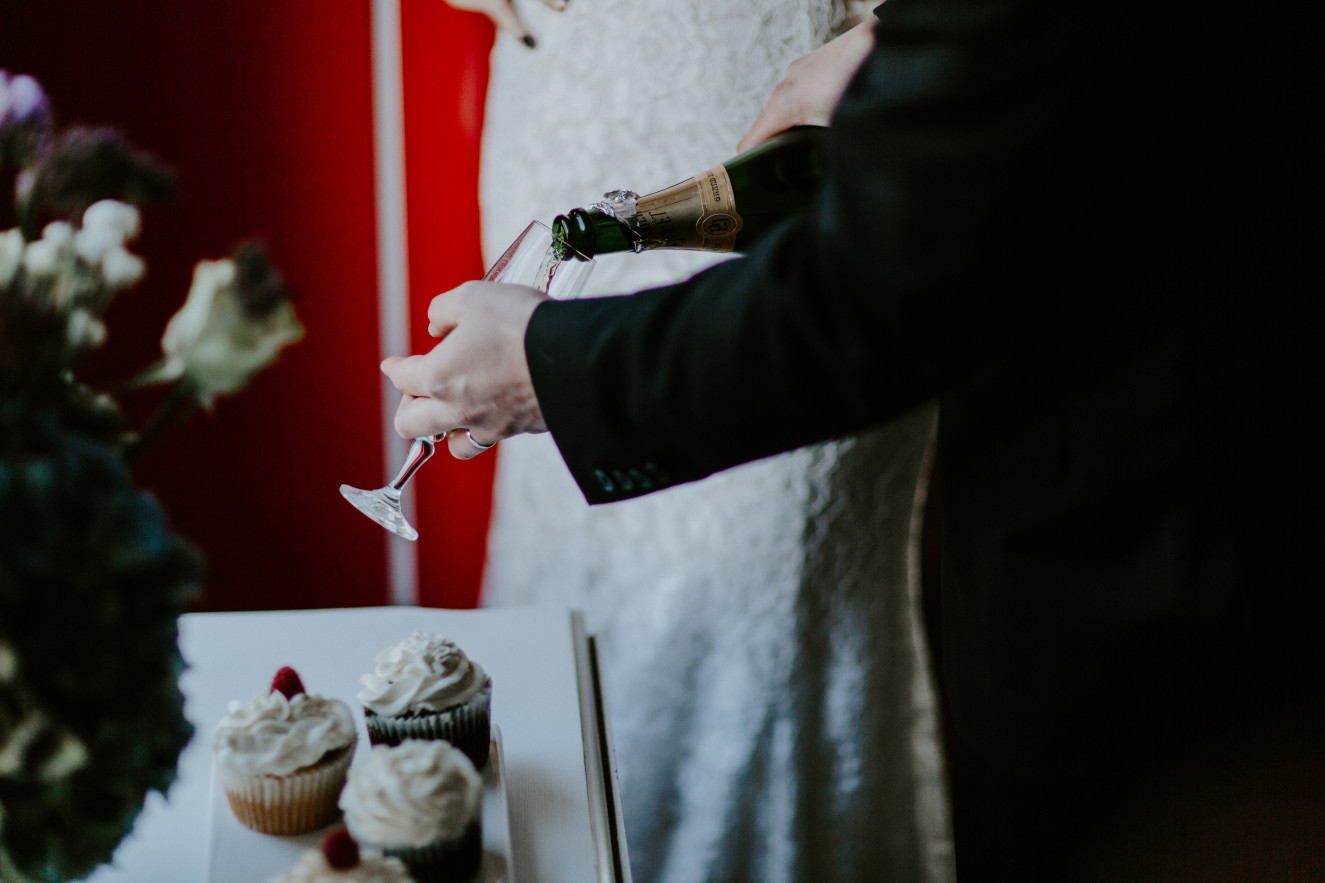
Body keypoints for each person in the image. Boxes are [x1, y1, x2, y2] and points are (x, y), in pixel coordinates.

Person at [392, 0, 1321, 879]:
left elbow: (878, 288)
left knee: (753, 631)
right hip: (641, 95)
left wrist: (556, 372)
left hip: (1174, 504)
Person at [435, 2, 952, 881]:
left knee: (748, 624)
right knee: (567, 575)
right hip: (572, 99)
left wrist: (908, 38)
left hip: (778, 110)